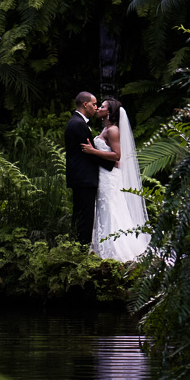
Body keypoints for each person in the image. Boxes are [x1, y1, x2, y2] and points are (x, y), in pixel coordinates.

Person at [80, 98, 151, 262]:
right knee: (106, 206)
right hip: (104, 174)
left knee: (111, 206)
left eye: (102, 107)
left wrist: (92, 152)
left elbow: (117, 155)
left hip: (110, 175)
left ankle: (116, 249)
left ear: (109, 112)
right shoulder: (106, 129)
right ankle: (102, 246)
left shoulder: (113, 130)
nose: (98, 108)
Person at [64, 91, 114, 245]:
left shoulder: (76, 122)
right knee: (85, 216)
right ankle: (81, 249)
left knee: (80, 214)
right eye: (93, 104)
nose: (96, 107)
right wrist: (111, 164)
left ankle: (76, 246)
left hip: (80, 176)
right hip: (84, 177)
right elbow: (89, 153)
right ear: (85, 104)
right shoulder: (78, 124)